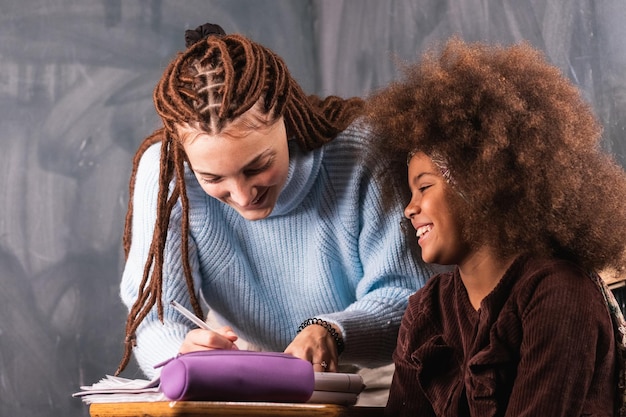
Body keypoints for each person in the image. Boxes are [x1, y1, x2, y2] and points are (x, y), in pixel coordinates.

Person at [114, 21, 432, 386]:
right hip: (248, 377)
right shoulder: (167, 176)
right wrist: (181, 356)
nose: (244, 195)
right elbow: (154, 318)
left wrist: (333, 331)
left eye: (258, 166)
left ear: (285, 117)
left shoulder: (361, 152)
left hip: (374, 381)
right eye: (213, 179)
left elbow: (408, 298)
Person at [365, 37, 626, 416]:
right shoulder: (426, 311)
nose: (409, 208)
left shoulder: (558, 294)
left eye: (424, 187)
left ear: (479, 182)